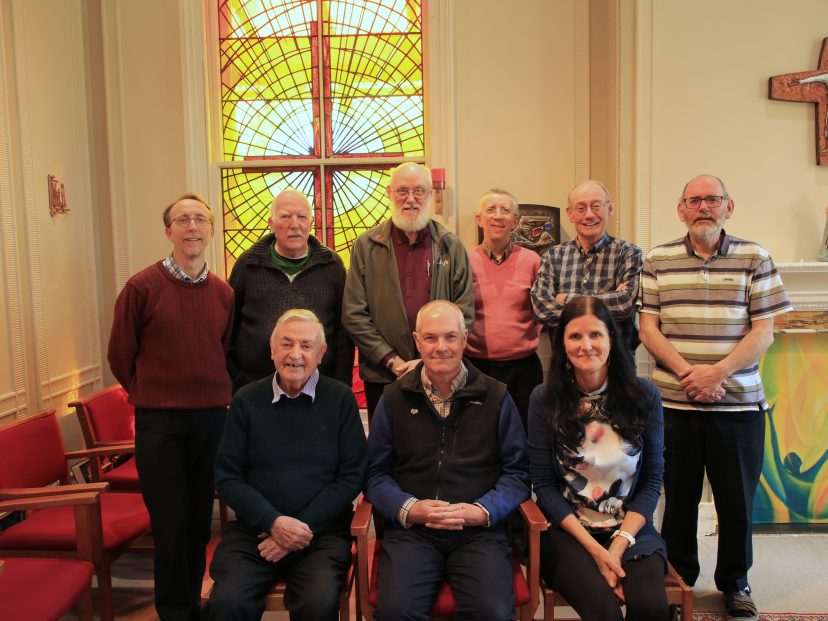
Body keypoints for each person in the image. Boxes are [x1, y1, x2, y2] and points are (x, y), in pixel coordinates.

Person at [639, 174, 792, 621]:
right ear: (681, 209)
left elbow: (764, 330)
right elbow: (648, 328)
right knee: (678, 500)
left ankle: (735, 583)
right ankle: (680, 581)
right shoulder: (658, 259)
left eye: (712, 199)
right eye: (694, 200)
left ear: (729, 206)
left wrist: (718, 373)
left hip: (739, 405)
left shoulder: (755, 257)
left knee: (736, 501)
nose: (703, 207)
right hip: (675, 404)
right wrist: (691, 375)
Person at [108, 193, 234, 621]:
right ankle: (174, 612)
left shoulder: (223, 293)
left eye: (200, 219)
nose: (192, 227)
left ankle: (192, 603)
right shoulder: (141, 288)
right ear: (168, 231)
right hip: (160, 423)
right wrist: (152, 392)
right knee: (170, 523)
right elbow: (120, 356)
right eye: (182, 220)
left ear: (211, 231)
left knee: (198, 522)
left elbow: (223, 350)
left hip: (211, 419)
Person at [366, 300, 530, 621]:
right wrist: (409, 508)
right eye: (430, 338)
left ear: (464, 339)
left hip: (478, 533)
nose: (441, 347)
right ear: (417, 341)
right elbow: (375, 474)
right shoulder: (393, 398)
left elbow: (518, 473)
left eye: (450, 337)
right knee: (397, 611)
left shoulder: (496, 397)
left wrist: (482, 511)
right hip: (414, 531)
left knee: (492, 612)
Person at [204, 309, 367, 621]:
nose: (295, 355)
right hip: (255, 532)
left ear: (321, 353)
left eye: (306, 346)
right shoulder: (246, 400)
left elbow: (352, 476)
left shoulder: (340, 399)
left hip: (320, 534)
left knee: (318, 603)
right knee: (227, 604)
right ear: (271, 349)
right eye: (286, 344)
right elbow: (227, 477)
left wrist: (299, 529)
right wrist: (275, 523)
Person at [528, 296, 669, 621]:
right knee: (603, 612)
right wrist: (596, 551)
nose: (586, 345)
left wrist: (617, 547)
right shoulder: (544, 399)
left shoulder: (645, 395)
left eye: (595, 334)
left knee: (651, 608)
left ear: (611, 340)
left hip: (631, 529)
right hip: (568, 532)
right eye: (575, 336)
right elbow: (544, 486)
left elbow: (652, 480)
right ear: (562, 344)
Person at [343, 162, 474, 420]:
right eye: (402, 191)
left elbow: (465, 314)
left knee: (438, 442)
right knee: (386, 442)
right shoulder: (366, 246)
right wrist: (393, 361)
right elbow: (353, 314)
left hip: (441, 374)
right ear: (389, 193)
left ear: (430, 194)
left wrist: (428, 362)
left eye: (419, 191)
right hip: (383, 375)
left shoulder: (451, 246)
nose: (411, 199)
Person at [227, 189, 351, 393]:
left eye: (302, 217)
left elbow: (343, 333)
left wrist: (340, 387)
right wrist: (236, 379)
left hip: (319, 388)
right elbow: (229, 328)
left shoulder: (332, 265)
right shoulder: (248, 264)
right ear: (271, 223)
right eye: (285, 217)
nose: (295, 225)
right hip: (254, 387)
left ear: (311, 223)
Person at [531, 180, 642, 353]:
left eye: (596, 206)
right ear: (570, 214)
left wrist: (566, 299)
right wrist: (606, 301)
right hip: (566, 361)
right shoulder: (553, 256)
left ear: (610, 209)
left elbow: (623, 304)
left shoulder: (628, 253)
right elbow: (541, 308)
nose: (589, 215)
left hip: (617, 361)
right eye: (581, 208)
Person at [465, 188, 542, 429]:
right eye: (491, 210)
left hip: (524, 368)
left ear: (515, 221)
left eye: (505, 211)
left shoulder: (532, 261)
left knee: (524, 431)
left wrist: (525, 337)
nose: (498, 216)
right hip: (477, 366)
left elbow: (542, 309)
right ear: (479, 219)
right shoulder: (464, 260)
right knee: (480, 433)